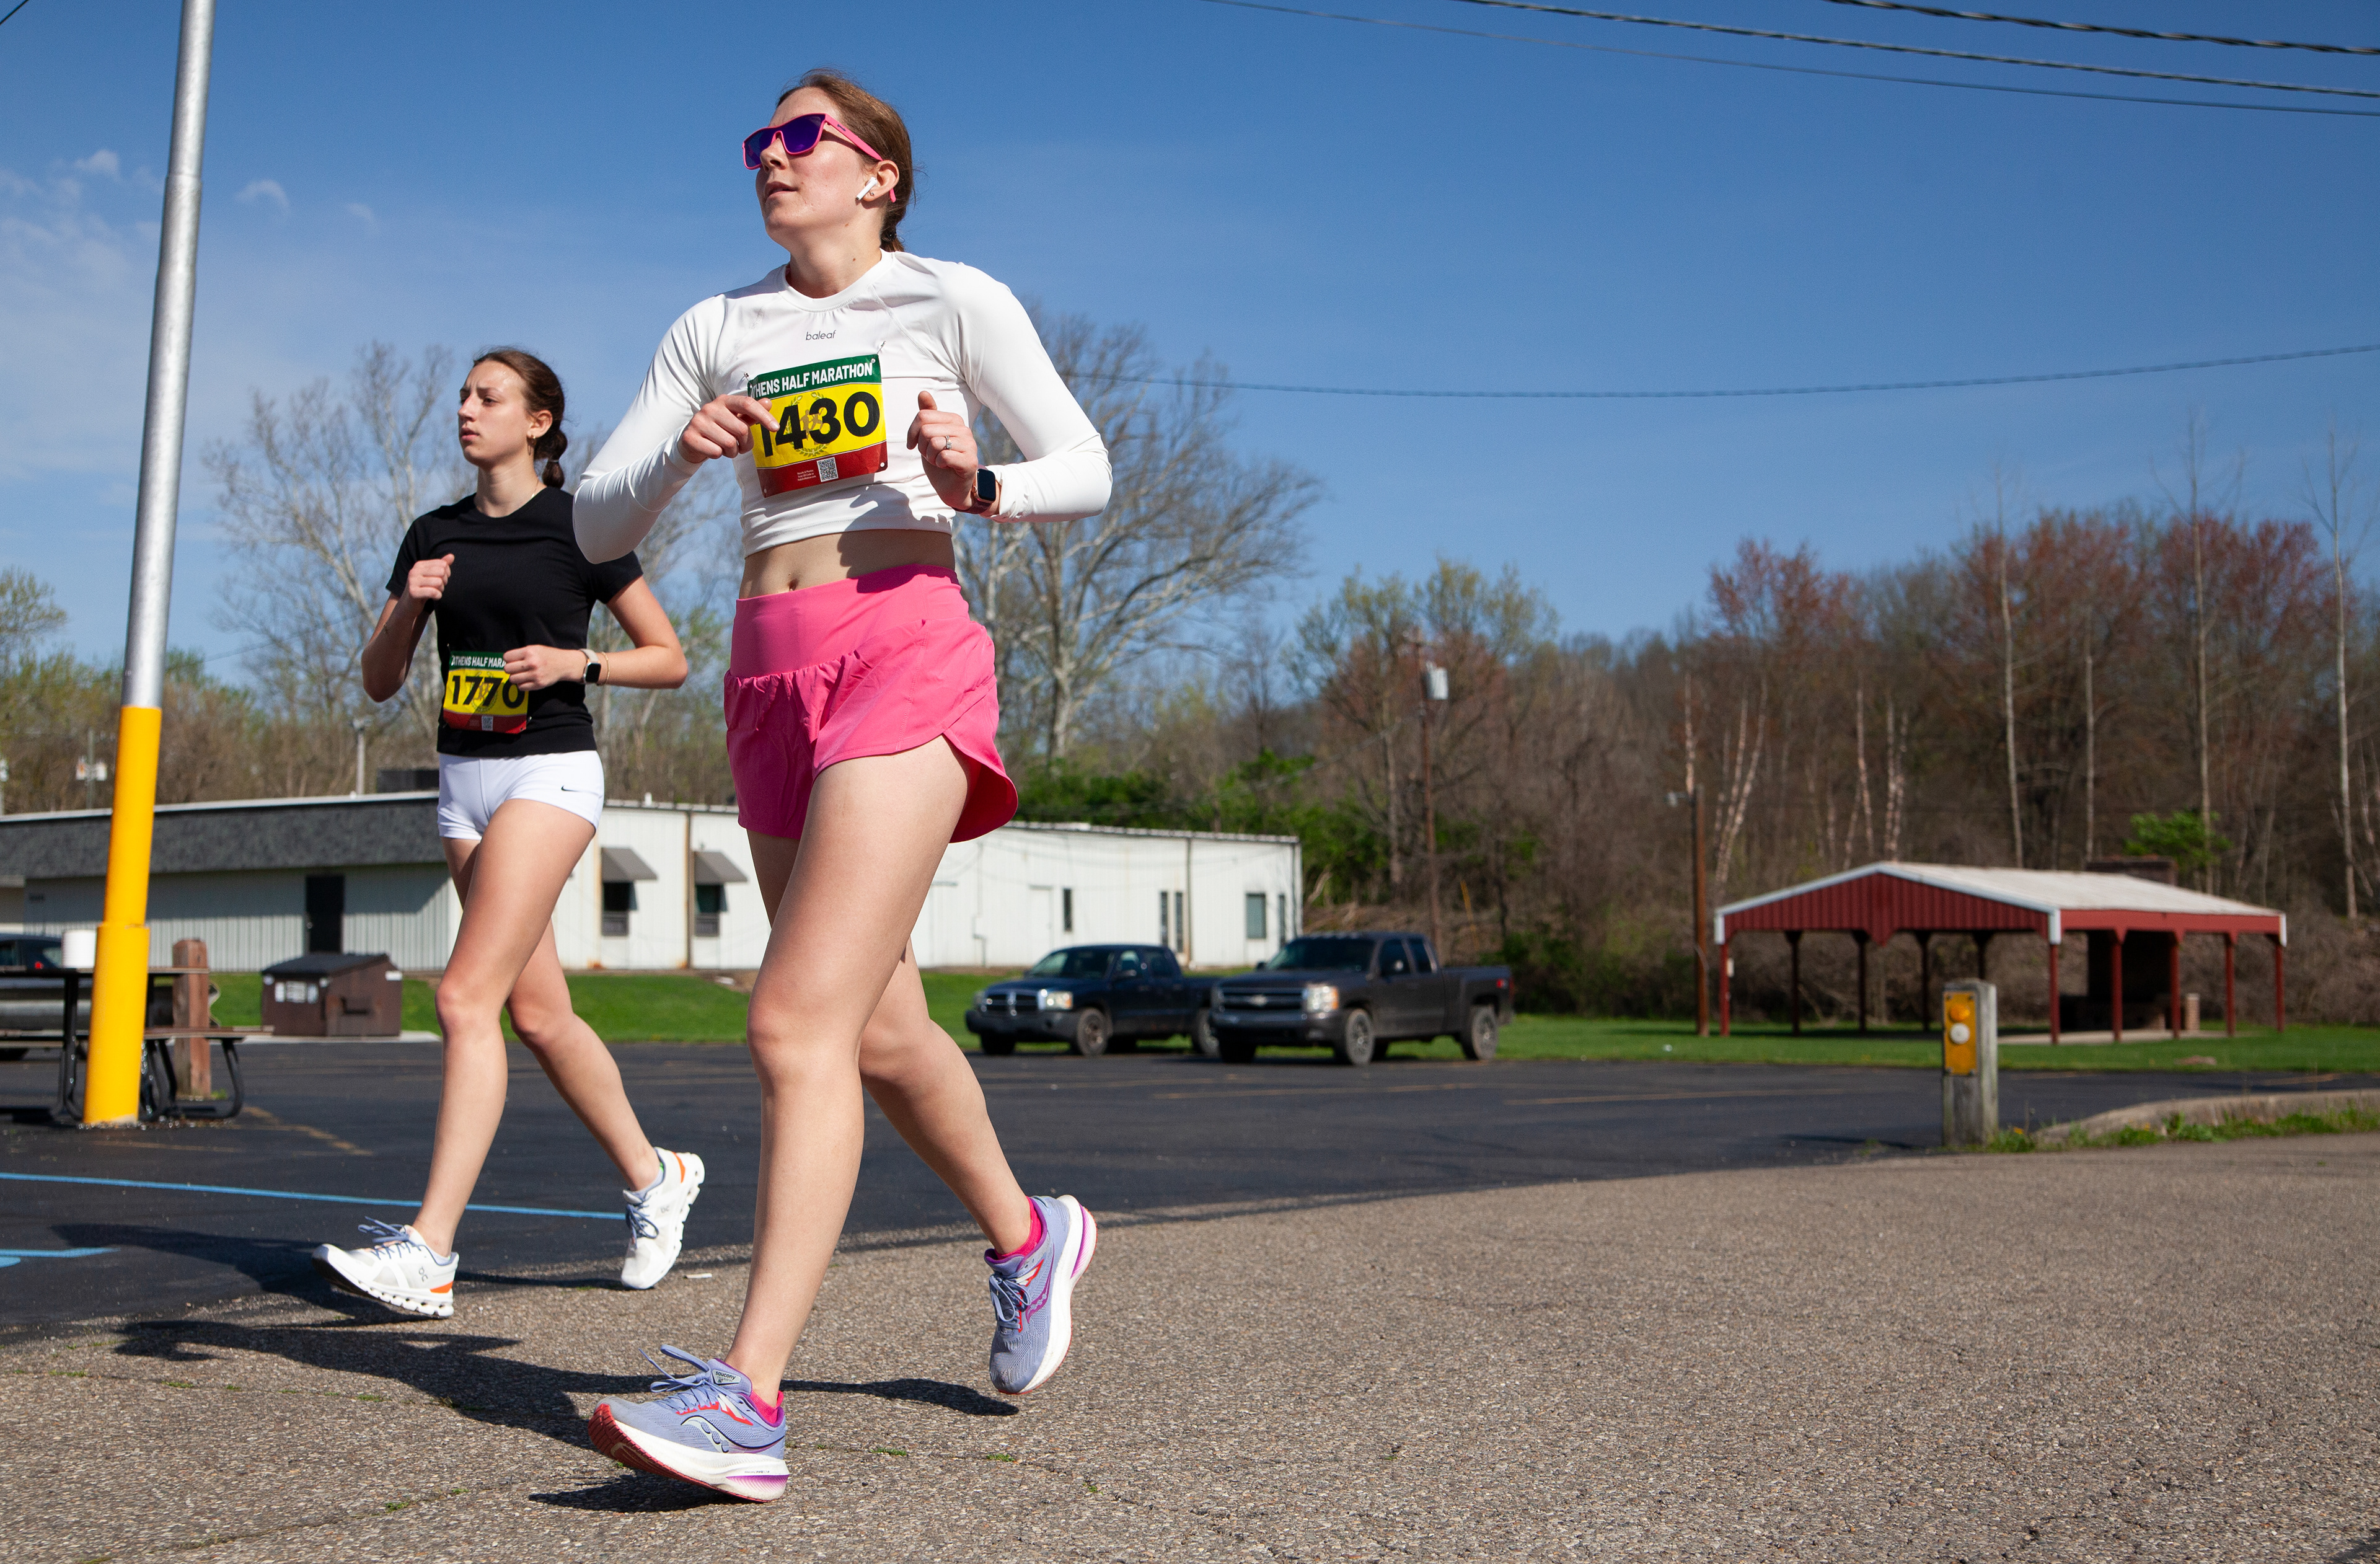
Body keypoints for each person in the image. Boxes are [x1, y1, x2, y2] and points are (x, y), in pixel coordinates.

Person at [572, 70, 1111, 1503]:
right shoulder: (718, 325)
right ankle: (1027, 1235)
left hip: (904, 645)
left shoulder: (951, 299)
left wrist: (976, 476)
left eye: (803, 138)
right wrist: (681, 457)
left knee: (792, 1017)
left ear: (879, 173)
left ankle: (748, 1396)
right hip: (766, 670)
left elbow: (1089, 464)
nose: (773, 158)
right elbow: (592, 517)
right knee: (876, 1025)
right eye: (760, 141)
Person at [311, 348, 704, 1319]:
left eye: (489, 396)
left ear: (538, 423)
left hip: (550, 773)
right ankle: (657, 1176)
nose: (465, 409)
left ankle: (430, 1251)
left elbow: (670, 658)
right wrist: (411, 600)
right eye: (462, 395)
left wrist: (579, 663)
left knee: (463, 997)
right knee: (539, 1014)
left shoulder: (584, 526)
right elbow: (378, 679)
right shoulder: (432, 533)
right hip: (461, 785)